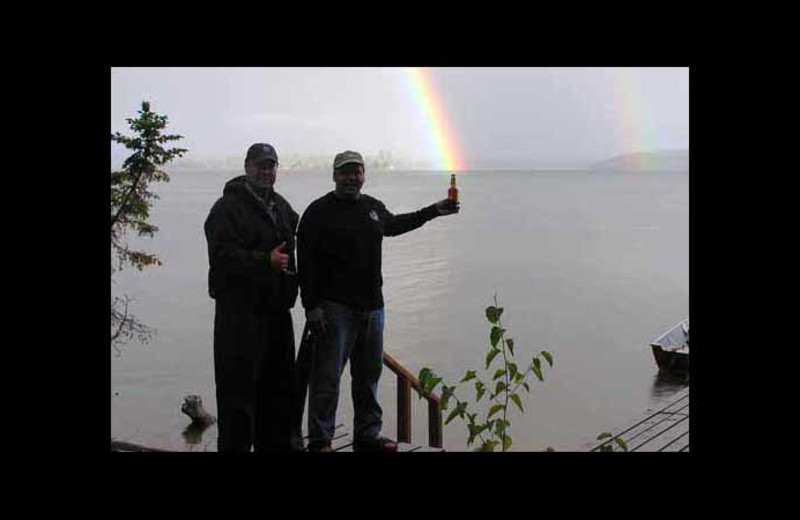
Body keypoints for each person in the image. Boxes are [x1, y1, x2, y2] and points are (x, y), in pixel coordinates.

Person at [297, 150, 460, 452]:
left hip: (373, 308)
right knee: (327, 378)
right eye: (345, 172)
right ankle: (320, 440)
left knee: (368, 376)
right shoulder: (317, 212)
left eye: (356, 172)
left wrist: (434, 210)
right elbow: (304, 262)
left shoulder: (372, 208)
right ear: (334, 176)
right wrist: (311, 306)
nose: (351, 177)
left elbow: (396, 224)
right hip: (334, 310)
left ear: (363, 175)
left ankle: (367, 435)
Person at [204, 142, 301, 452]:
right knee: (237, 395)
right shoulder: (225, 208)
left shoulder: (283, 207)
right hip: (239, 316)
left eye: (271, 165)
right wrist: (264, 261)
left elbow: (300, 244)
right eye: (260, 165)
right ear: (246, 167)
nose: (266, 171)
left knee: (277, 391)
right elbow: (221, 256)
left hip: (276, 314)